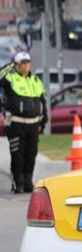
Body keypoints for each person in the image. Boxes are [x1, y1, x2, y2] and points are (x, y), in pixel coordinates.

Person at [0, 52, 48, 193]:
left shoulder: (36, 81)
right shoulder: (10, 78)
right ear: (17, 65)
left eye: (27, 62)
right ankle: (18, 183)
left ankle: (28, 182)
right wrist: (10, 65)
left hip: (33, 124)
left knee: (31, 154)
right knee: (17, 155)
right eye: (22, 62)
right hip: (16, 123)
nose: (25, 64)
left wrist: (43, 121)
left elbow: (43, 102)